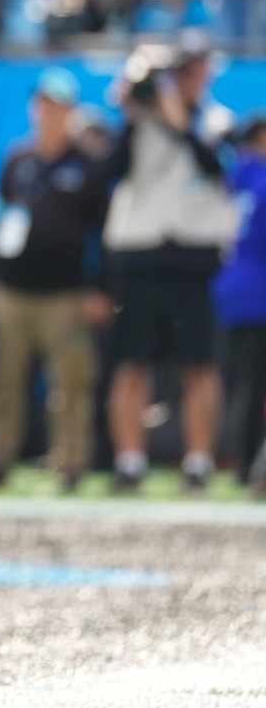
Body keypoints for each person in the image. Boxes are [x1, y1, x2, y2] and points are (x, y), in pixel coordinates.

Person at [0, 69, 110, 490]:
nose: (48, 112)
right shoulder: (16, 160)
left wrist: (100, 288)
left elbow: (101, 234)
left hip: (66, 294)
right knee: (4, 381)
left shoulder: (88, 165)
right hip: (13, 290)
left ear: (70, 110)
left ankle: (70, 462)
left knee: (70, 384)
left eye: (57, 104)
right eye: (43, 103)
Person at [104, 42, 237, 493]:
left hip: (193, 259)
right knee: (131, 362)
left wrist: (180, 120)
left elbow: (216, 168)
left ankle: (198, 460)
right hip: (141, 255)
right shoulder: (138, 122)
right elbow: (113, 170)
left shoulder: (216, 121)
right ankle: (129, 460)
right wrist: (131, 109)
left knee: (199, 364)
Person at [216, 115, 266, 491]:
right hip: (257, 293)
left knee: (243, 386)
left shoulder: (233, 179)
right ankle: (253, 466)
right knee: (250, 387)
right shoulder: (257, 178)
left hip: (232, 293)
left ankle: (244, 463)